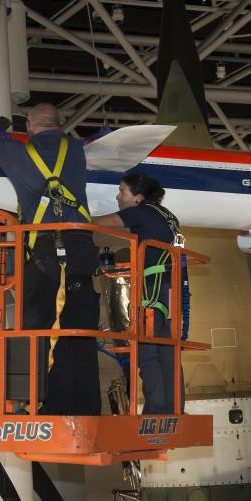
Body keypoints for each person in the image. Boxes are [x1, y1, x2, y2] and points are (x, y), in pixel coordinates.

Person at [0, 103, 101, 416]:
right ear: (60, 124)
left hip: (45, 252)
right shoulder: (74, 151)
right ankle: (83, 404)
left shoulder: (19, 154)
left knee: (36, 325)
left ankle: (37, 403)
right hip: (81, 248)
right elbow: (49, 144)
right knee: (79, 325)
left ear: (29, 128)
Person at [96, 173, 185, 415]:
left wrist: (72, 217)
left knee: (147, 352)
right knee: (168, 350)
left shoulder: (141, 212)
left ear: (138, 197)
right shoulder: (167, 216)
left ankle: (156, 408)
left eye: (123, 191)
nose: (118, 196)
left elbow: (103, 222)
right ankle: (174, 407)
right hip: (171, 288)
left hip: (153, 288)